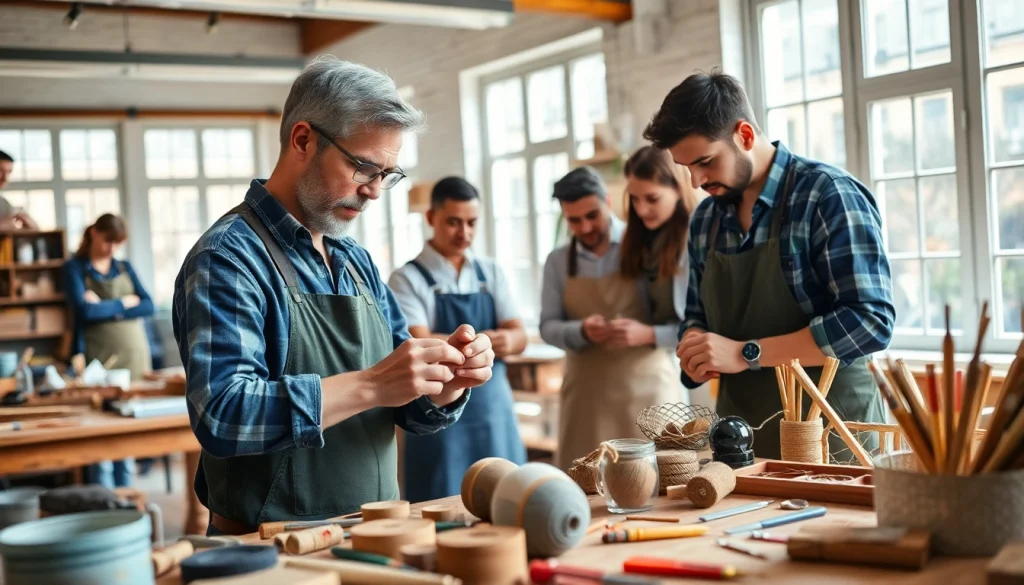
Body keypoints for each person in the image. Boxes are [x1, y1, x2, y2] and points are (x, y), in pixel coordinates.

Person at [172, 57, 494, 535]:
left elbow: (405, 406)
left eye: (388, 174)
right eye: (364, 167)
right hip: (272, 549)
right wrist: (371, 385)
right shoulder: (230, 257)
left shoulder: (355, 261)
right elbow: (223, 414)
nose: (375, 192)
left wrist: (448, 381)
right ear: (303, 140)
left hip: (376, 533)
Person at [643, 71, 894, 461]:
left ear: (744, 135)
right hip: (741, 446)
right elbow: (696, 317)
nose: (695, 181)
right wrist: (696, 350)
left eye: (705, 162)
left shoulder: (827, 195)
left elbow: (870, 322)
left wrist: (746, 353)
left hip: (836, 438)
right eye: (685, 167)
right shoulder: (705, 221)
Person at [388, 177, 527, 502]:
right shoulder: (406, 279)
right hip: (437, 415)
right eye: (453, 222)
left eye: (471, 223)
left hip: (494, 410)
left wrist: (507, 340)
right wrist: (487, 342)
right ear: (431, 218)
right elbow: (419, 343)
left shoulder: (491, 272)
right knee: (441, 504)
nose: (464, 233)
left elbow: (519, 336)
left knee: (509, 502)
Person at [539, 166, 682, 471]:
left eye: (592, 215)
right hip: (587, 400)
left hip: (649, 393)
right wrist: (581, 331)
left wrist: (646, 333)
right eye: (574, 220)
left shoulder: (648, 246)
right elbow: (548, 326)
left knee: (662, 485)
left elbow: (687, 325)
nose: (586, 227)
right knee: (586, 489)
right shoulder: (557, 261)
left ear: (608, 200)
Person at [63, 213, 154, 488]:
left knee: (125, 434)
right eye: (107, 241)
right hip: (96, 361)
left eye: (117, 244)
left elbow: (148, 305)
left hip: (134, 357)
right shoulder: (74, 268)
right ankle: (102, 501)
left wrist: (105, 306)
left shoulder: (125, 267)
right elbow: (84, 311)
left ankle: (125, 499)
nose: (111, 249)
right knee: (100, 430)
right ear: (93, 234)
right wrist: (123, 303)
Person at [619, 145, 700, 406]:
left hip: (682, 368)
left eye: (652, 199)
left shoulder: (697, 237)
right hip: (636, 370)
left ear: (678, 188)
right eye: (634, 199)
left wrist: (649, 335)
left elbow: (705, 325)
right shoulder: (637, 240)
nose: (641, 210)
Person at [0, 150, 38, 230]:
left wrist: (31, 224)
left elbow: (36, 230)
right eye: (0, 171)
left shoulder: (4, 204)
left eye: (9, 172)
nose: (5, 179)